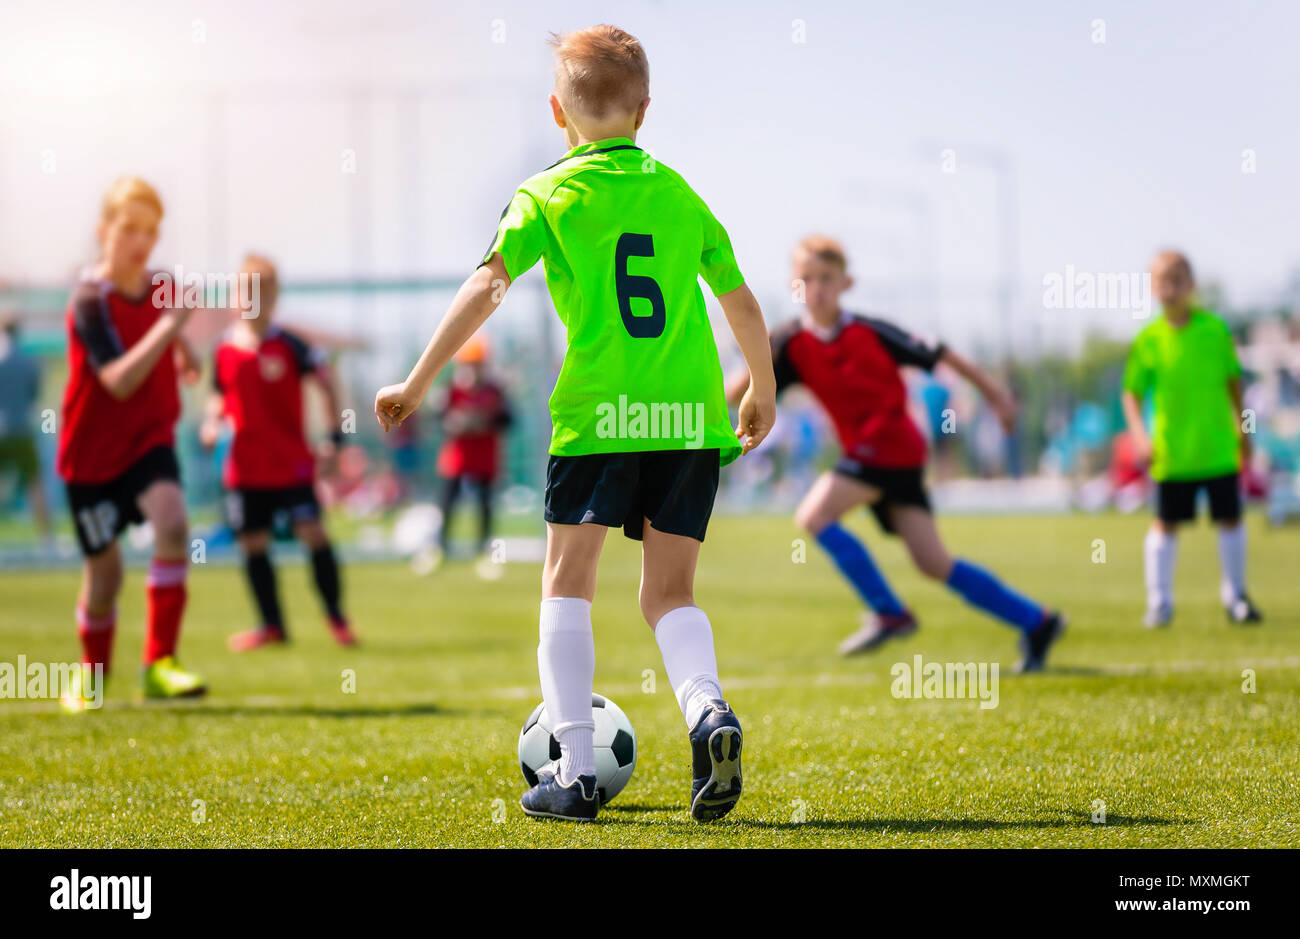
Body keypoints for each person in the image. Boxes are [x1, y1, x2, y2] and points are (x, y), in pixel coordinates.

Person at [374, 24, 776, 822]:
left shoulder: (547, 193)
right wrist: (760, 386)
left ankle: (576, 772)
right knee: (669, 593)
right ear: (645, 111)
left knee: (568, 584)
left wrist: (419, 379)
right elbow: (740, 299)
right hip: (690, 416)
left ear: (558, 111)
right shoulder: (680, 192)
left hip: (600, 415)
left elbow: (487, 287)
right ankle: (707, 713)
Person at [727, 235, 1064, 671]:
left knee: (813, 515)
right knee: (933, 563)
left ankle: (889, 611)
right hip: (879, 459)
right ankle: (1037, 622)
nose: (816, 288)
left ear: (847, 282)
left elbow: (943, 354)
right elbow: (740, 387)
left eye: (827, 278)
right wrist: (713, 401)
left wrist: (998, 395)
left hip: (892, 444)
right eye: (806, 278)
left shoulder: (870, 331)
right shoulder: (789, 343)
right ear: (794, 284)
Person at [57, 176, 207, 711]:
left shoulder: (159, 282)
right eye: (129, 229)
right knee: (106, 576)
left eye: (151, 231)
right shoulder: (88, 300)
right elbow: (118, 380)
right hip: (91, 459)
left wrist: (185, 348)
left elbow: (166, 329)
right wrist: (171, 331)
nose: (141, 242)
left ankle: (160, 664)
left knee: (172, 524)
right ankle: (90, 678)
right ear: (103, 231)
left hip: (148, 440)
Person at [201, 255, 357, 651]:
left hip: (292, 464)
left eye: (264, 292)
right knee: (253, 543)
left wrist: (334, 437)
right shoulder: (224, 349)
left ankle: (336, 618)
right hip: (245, 468)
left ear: (274, 297)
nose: (256, 299)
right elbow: (218, 394)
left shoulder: (292, 345)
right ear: (237, 296)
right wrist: (211, 420)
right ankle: (272, 626)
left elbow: (327, 383)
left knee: (313, 534)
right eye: (248, 291)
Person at [1121, 250, 1260, 627]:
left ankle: (1236, 597)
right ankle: (1160, 602)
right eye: (1163, 280)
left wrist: (1245, 432)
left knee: (1230, 520)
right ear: (1153, 288)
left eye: (1178, 279)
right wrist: (1138, 435)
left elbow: (1236, 388)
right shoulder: (1147, 340)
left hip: (1217, 449)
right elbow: (1131, 393)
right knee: (1165, 525)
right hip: (1172, 454)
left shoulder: (1215, 330)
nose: (1171, 288)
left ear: (1192, 285)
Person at [433, 333, 512, 571]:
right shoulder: (452, 389)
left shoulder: (495, 391)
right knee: (448, 500)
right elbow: (439, 418)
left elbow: (508, 420)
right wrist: (456, 423)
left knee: (485, 503)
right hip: (458, 456)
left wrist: (484, 423)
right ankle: (441, 545)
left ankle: (483, 546)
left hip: (485, 455)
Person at [0, 316, 52, 541]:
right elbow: (35, 397)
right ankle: (46, 538)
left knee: (34, 480)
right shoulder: (29, 362)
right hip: (22, 429)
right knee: (35, 482)